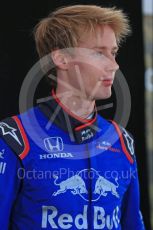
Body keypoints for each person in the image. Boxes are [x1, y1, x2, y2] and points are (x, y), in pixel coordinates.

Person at [0, 4, 145, 230]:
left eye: (114, 52)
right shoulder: (14, 138)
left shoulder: (122, 140)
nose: (114, 65)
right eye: (99, 52)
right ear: (61, 58)